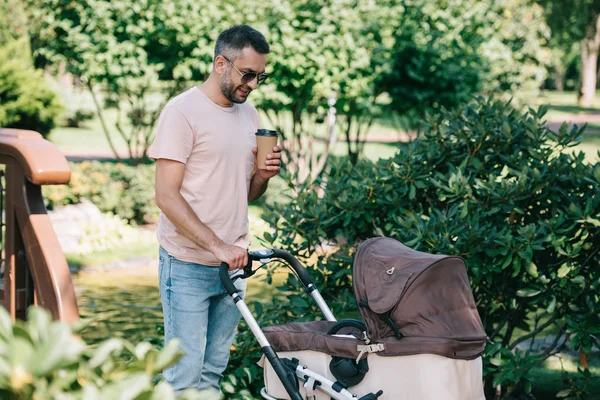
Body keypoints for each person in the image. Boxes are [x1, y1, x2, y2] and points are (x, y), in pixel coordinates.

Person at [149, 25, 281, 394]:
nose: (254, 84)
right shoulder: (182, 112)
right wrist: (216, 246)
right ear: (221, 63)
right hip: (187, 264)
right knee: (182, 378)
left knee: (211, 375)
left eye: (260, 75)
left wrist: (263, 175)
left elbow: (246, 194)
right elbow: (166, 196)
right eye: (248, 74)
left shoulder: (248, 114)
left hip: (233, 265)